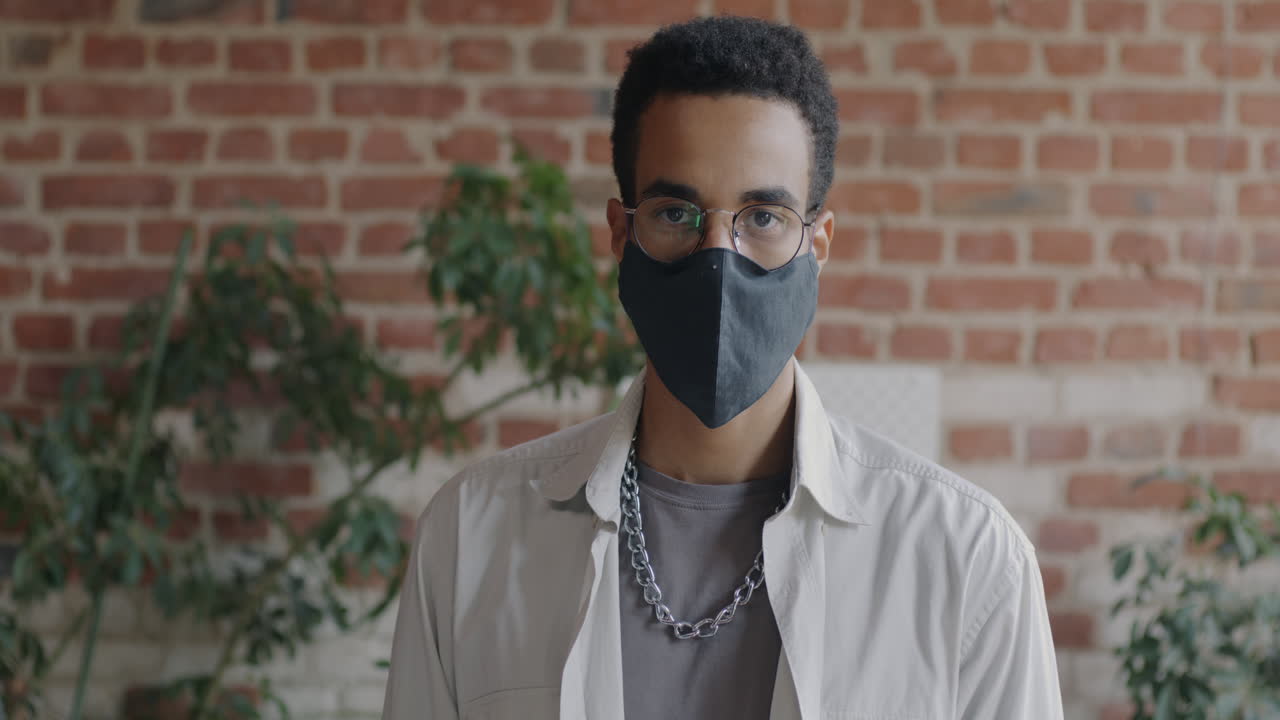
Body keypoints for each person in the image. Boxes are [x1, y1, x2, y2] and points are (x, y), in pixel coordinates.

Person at [382, 15, 1065, 720]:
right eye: (677, 213)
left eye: (763, 217)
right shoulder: (474, 536)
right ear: (622, 232)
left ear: (818, 242)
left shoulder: (964, 560)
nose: (719, 257)